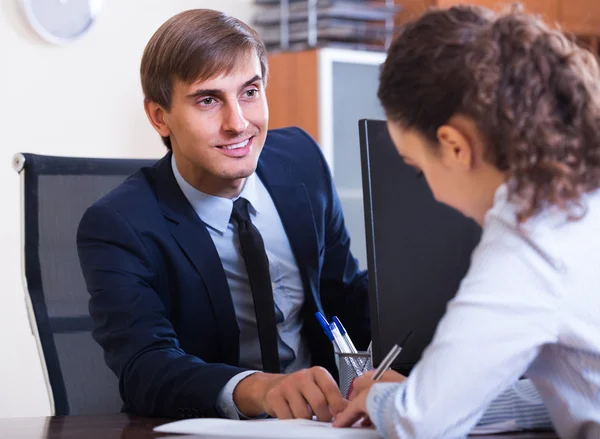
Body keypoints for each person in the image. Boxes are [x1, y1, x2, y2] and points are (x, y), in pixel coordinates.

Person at [76, 9, 370, 420]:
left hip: (321, 422)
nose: (238, 123)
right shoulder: (119, 224)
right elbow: (145, 367)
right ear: (160, 116)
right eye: (209, 100)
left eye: (249, 92)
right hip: (211, 427)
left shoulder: (302, 161)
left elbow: (344, 294)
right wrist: (260, 389)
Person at [333, 4, 600, 438]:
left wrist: (387, 401)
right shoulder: (580, 191)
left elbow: (420, 425)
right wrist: (428, 395)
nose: (430, 192)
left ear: (455, 147)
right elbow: (570, 391)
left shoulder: (529, 242)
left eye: (416, 167)